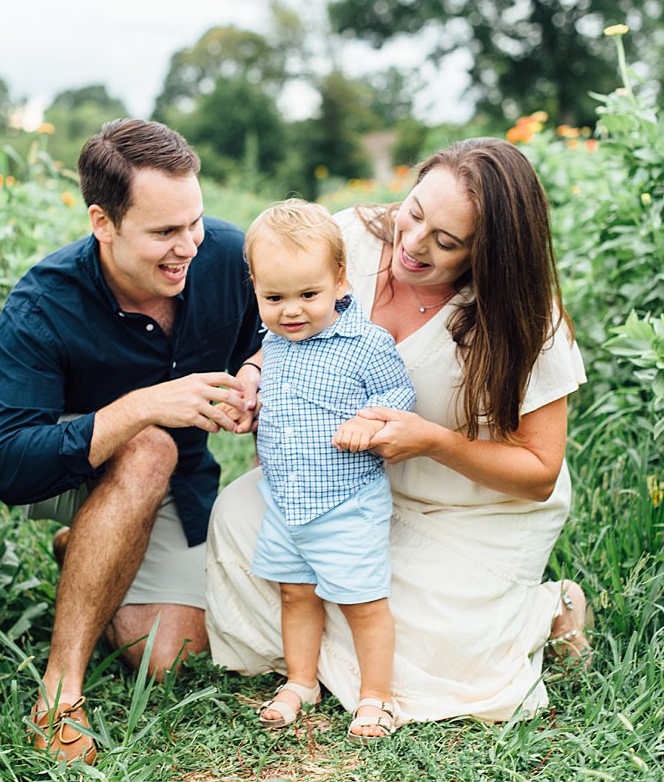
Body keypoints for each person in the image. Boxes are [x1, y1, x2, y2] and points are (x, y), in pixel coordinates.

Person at [207, 138, 591, 727]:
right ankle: (314, 667)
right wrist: (256, 372)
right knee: (239, 518)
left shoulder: (526, 323)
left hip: (464, 512)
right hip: (347, 487)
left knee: (431, 648)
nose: (412, 245)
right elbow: (287, 328)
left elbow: (539, 473)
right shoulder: (344, 242)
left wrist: (433, 440)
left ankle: (549, 608)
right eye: (413, 213)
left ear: (491, 254)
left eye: (446, 242)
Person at [0, 118, 262, 764]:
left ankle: (88, 552)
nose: (188, 245)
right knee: (150, 443)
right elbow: (8, 467)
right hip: (63, 474)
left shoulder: (227, 257)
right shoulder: (42, 304)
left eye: (193, 221)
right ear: (102, 223)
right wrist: (138, 409)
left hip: (176, 484)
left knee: (166, 655)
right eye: (164, 232)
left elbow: (282, 330)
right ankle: (61, 690)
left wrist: (256, 370)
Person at [241, 200, 415, 740]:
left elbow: (400, 397)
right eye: (274, 297)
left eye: (307, 295)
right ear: (256, 288)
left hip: (347, 502)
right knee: (295, 593)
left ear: (339, 280)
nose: (291, 311)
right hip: (287, 500)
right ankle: (301, 681)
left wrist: (369, 421)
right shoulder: (274, 344)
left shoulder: (365, 344)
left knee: (363, 602)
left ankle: (376, 697)